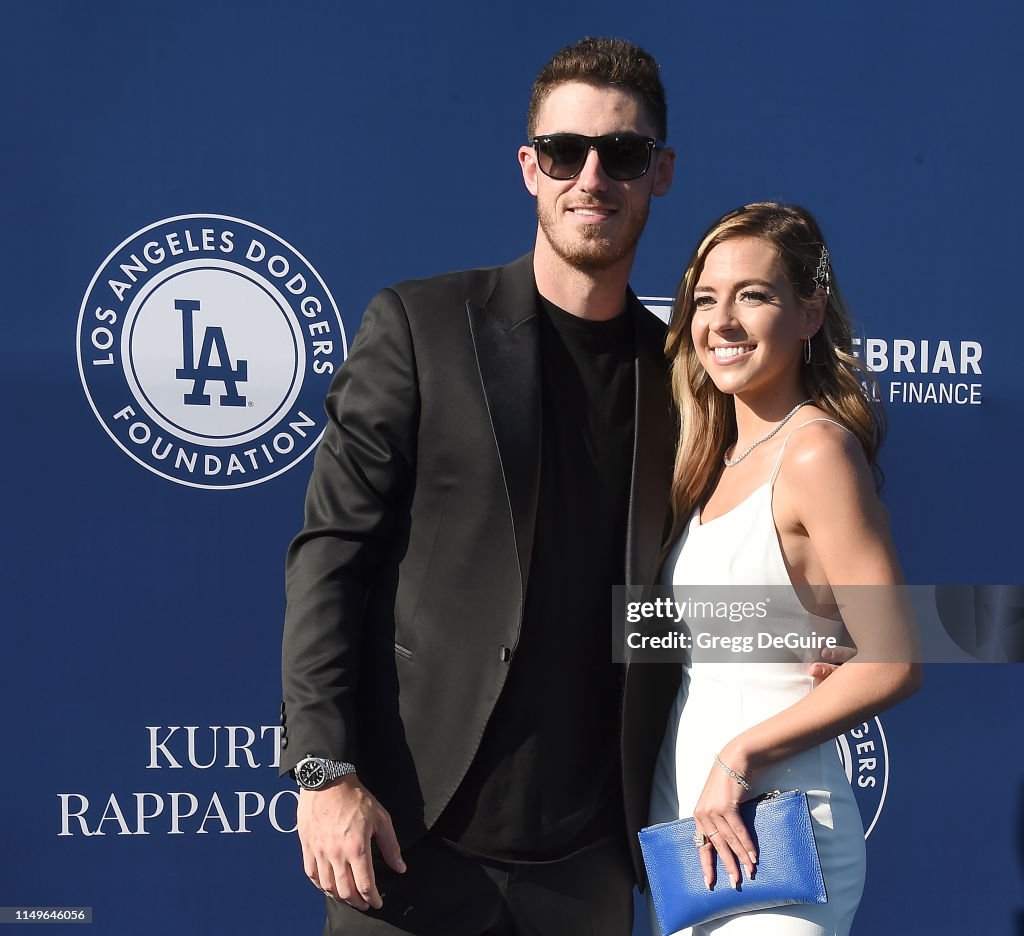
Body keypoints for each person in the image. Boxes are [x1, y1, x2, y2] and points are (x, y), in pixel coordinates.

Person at [279, 37, 682, 935]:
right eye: (565, 152)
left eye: (621, 154)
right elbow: (330, 561)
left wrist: (821, 637)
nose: (592, 177)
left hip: (590, 865)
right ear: (528, 168)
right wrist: (323, 773)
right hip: (406, 845)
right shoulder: (422, 329)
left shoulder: (687, 381)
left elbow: (712, 584)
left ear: (659, 172)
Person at [647, 202, 922, 935]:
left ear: (809, 314)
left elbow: (895, 660)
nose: (723, 321)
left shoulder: (817, 453)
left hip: (783, 830)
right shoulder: (706, 461)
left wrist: (741, 753)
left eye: (754, 295)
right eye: (706, 299)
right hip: (693, 836)